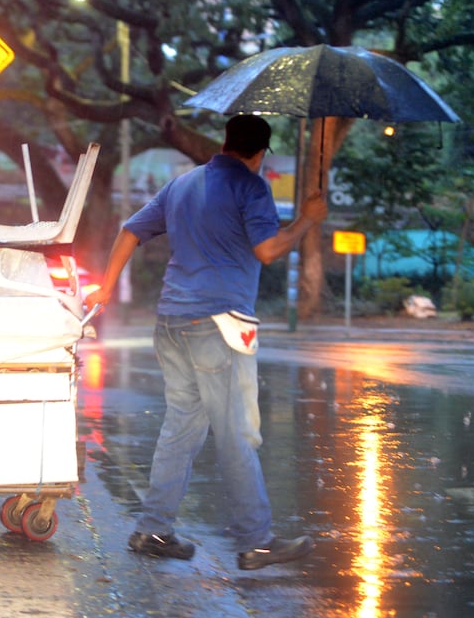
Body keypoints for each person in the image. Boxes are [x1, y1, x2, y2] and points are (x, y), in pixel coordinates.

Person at [84, 114, 318, 571]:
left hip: (171, 321)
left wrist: (106, 287)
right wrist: (307, 219)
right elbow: (268, 250)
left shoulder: (183, 184)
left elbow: (130, 230)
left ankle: (153, 529)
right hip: (221, 322)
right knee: (236, 432)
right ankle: (257, 540)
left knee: (182, 428)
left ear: (226, 142)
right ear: (260, 153)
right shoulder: (252, 186)